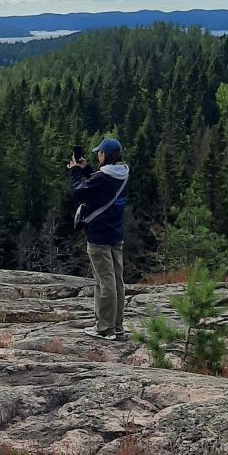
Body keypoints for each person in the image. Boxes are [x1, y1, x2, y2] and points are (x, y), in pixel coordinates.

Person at [68, 136, 130, 341]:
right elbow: (103, 187)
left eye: (99, 153)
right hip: (116, 233)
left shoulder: (103, 177)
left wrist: (75, 172)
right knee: (117, 280)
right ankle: (117, 326)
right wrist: (87, 170)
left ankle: (105, 328)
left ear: (104, 155)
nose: (98, 156)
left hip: (99, 236)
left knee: (105, 282)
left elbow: (79, 193)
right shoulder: (123, 173)